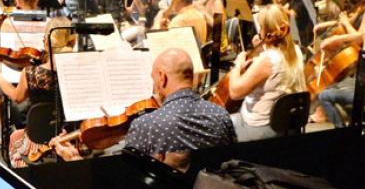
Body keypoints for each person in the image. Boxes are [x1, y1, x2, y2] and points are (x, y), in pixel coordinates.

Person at [54, 48, 235, 172]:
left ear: (162, 78)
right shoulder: (221, 115)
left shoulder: (147, 125)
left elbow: (126, 183)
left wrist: (75, 162)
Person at [0, 17, 74, 167]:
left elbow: (16, 97)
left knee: (15, 137)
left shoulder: (31, 74)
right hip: (71, 138)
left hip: (38, 139)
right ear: (73, 42)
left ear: (46, 41)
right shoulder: (80, 71)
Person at [224, 4, 307, 141]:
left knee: (220, 124)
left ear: (265, 31)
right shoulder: (296, 51)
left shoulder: (268, 61)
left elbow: (235, 92)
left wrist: (237, 65)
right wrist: (264, 45)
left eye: (261, 27)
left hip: (261, 127)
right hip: (288, 123)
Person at [0, 0, 43, 132]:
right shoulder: (47, 21)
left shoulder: (9, 23)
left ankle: (3, 130)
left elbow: (7, 56)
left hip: (20, 78)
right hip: (42, 74)